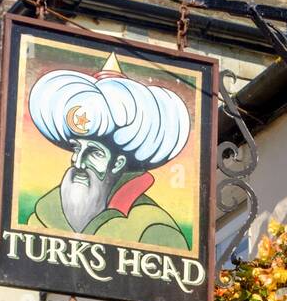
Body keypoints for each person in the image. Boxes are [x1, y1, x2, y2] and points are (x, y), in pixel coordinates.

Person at [25, 53, 191, 249]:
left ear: (118, 163)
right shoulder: (45, 213)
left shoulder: (154, 228)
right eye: (77, 148)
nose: (77, 162)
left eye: (95, 153)